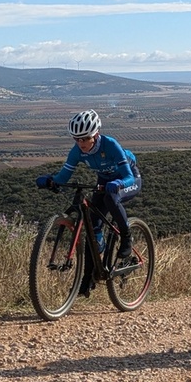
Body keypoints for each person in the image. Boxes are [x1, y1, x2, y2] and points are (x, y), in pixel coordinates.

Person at [36, 110, 142, 294]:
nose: (80, 143)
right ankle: (88, 278)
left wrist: (118, 183)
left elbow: (129, 177)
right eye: (76, 139)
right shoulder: (77, 151)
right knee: (92, 228)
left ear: (96, 134)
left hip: (127, 180)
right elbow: (64, 175)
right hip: (104, 182)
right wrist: (51, 180)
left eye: (84, 138)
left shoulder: (110, 145)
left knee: (110, 198)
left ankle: (126, 236)